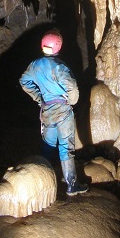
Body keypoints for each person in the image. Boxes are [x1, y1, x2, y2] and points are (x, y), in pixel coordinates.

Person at [19, 29, 88, 196]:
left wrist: (39, 98)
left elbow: (24, 81)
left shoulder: (35, 65)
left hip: (47, 111)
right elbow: (72, 88)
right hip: (63, 111)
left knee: (48, 146)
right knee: (66, 148)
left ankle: (44, 181)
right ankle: (72, 185)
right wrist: (71, 101)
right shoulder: (59, 67)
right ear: (58, 47)